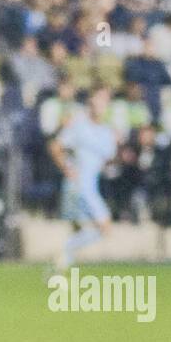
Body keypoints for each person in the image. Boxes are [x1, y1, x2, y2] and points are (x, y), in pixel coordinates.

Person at [48, 86, 118, 268]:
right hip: (79, 186)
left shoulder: (107, 131)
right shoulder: (79, 124)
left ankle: (59, 265)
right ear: (91, 102)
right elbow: (55, 147)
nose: (101, 105)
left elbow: (108, 161)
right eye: (98, 99)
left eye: (105, 101)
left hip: (91, 185)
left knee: (88, 229)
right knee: (105, 227)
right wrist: (67, 168)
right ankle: (64, 251)